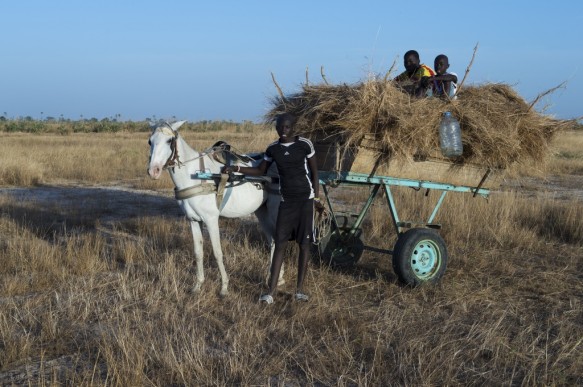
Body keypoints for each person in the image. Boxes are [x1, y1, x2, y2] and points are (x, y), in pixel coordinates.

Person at [222, 113, 320, 304]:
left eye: (287, 127)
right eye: (279, 127)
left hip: (305, 200)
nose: (283, 130)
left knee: (304, 244)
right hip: (286, 201)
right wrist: (236, 169)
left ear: (293, 127)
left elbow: (315, 172)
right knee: (280, 243)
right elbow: (260, 171)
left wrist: (316, 197)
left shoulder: (305, 144)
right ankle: (271, 292)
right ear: (275, 128)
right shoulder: (273, 149)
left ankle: (299, 290)